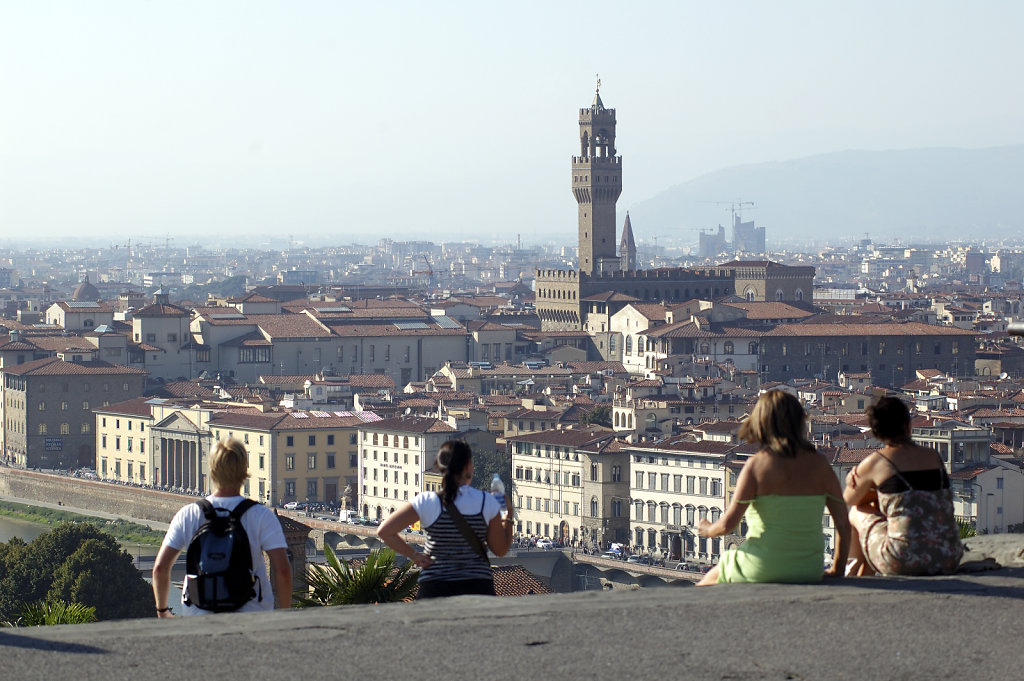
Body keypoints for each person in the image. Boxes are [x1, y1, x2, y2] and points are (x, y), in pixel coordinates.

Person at [696, 390, 850, 585]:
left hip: (762, 564)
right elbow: (844, 525)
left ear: (761, 422)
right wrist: (837, 568)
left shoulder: (756, 465)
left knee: (705, 584)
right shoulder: (821, 464)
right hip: (809, 568)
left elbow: (727, 526)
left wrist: (707, 529)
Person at [152, 438, 292, 617]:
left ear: (211, 470)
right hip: (251, 615)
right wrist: (286, 615)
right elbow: (283, 570)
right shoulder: (262, 516)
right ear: (244, 470)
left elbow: (160, 568)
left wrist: (163, 611)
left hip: (199, 615)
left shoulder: (188, 514)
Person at [377, 440, 514, 598]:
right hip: (477, 587)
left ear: (440, 467)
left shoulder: (426, 501)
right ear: (469, 466)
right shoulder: (486, 501)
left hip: (435, 587)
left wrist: (415, 555)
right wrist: (508, 516)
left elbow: (385, 531)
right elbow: (500, 550)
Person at [843, 396, 963, 576]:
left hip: (903, 560)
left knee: (856, 512)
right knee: (885, 505)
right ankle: (861, 571)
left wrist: (850, 479)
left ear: (876, 432)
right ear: (908, 425)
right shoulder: (933, 456)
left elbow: (850, 499)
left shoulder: (877, 461)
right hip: (948, 557)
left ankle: (852, 570)